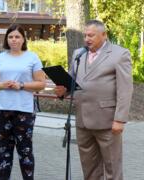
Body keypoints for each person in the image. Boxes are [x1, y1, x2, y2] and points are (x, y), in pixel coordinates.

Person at [55, 20, 133, 180]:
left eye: (91, 35)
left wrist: (120, 119)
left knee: (112, 168)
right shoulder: (79, 54)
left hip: (107, 122)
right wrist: (63, 91)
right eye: (85, 35)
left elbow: (125, 90)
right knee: (89, 168)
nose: (86, 39)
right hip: (82, 121)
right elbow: (72, 82)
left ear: (104, 35)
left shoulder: (120, 54)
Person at [0, 24, 46, 180]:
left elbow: (41, 83)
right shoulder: (0, 57)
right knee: (4, 151)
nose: (14, 40)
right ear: (7, 39)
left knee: (25, 151)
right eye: (11, 37)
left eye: (17, 37)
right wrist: (2, 85)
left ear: (23, 39)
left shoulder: (32, 57)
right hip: (1, 109)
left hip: (24, 110)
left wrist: (21, 85)